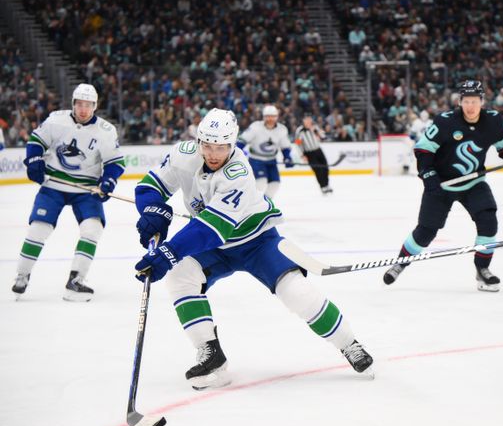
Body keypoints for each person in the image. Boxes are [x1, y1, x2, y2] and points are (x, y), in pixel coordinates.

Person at [133, 108, 373, 390]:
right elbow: (151, 185)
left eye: (221, 147)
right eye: (207, 145)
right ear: (198, 141)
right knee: (180, 277)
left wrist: (169, 252)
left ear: (232, 144)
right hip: (214, 246)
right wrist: (151, 211)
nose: (212, 153)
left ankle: (348, 343)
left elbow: (212, 227)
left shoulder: (239, 172)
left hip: (255, 241)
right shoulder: (182, 154)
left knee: (297, 292)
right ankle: (212, 357)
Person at [382, 80, 503, 292]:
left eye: (474, 101)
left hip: (473, 182)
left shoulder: (494, 121)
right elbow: (423, 150)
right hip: (441, 184)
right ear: (460, 101)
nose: (470, 106)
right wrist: (429, 176)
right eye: (466, 101)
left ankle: (482, 270)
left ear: (482, 101)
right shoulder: (445, 122)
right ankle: (400, 263)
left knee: (488, 221)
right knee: (426, 232)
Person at [12, 83, 125, 301]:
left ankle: (76, 280)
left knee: (92, 229)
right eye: (79, 104)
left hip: (86, 190)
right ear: (73, 104)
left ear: (95, 106)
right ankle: (22, 275)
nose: (83, 109)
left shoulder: (106, 131)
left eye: (88, 105)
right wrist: (34, 161)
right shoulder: (56, 119)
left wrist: (108, 181)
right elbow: (36, 141)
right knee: (38, 228)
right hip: (53, 185)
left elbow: (115, 162)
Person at [237, 105, 294, 199]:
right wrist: (237, 151)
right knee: (261, 182)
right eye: (268, 116)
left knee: (275, 184)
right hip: (256, 160)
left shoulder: (282, 129)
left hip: (272, 161)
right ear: (264, 117)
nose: (270, 119)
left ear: (277, 117)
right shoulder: (255, 127)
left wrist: (287, 157)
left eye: (273, 116)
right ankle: (253, 202)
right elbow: (242, 140)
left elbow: (285, 146)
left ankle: (264, 204)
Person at [294, 114, 332, 194]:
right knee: (318, 170)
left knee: (325, 168)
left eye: (309, 119)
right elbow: (298, 144)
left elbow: (323, 137)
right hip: (309, 153)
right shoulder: (300, 131)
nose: (308, 121)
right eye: (306, 119)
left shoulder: (315, 127)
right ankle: (323, 187)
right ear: (303, 121)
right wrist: (302, 155)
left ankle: (327, 185)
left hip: (318, 150)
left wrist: (316, 131)